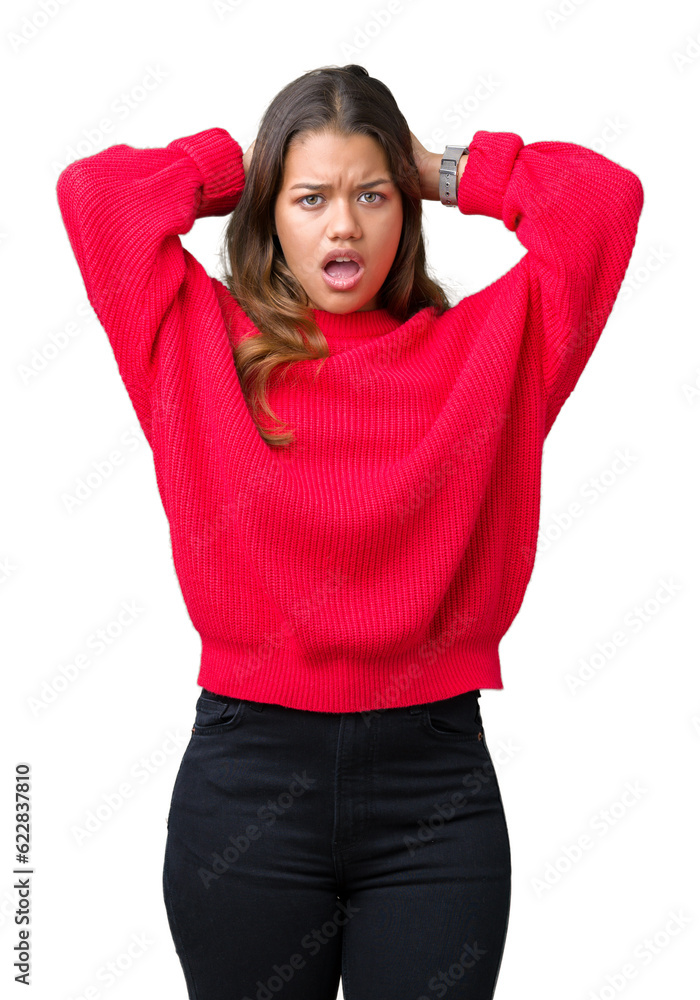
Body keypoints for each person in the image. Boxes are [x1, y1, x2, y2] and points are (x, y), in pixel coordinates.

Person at [56, 63, 644, 1000]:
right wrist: (237, 165)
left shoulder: (488, 353)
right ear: (269, 214)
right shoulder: (198, 342)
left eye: (372, 195)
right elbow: (97, 198)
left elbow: (603, 203)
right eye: (310, 196)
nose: (343, 225)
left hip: (433, 801)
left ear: (406, 211)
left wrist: (437, 166)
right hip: (246, 786)